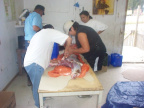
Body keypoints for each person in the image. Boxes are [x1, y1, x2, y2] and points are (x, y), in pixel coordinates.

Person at [24, 24, 71, 108]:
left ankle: (43, 98)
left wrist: (50, 61)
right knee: (37, 87)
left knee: (38, 84)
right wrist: (66, 50)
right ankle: (39, 105)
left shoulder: (39, 34)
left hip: (30, 63)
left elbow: (40, 51)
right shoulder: (49, 32)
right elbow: (69, 39)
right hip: (34, 64)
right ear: (52, 29)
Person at [24, 4, 45, 86]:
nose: (41, 15)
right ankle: (36, 81)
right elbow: (35, 28)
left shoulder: (29, 16)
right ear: (40, 11)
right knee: (36, 61)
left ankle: (30, 80)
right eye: (42, 13)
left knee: (30, 60)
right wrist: (43, 31)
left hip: (28, 41)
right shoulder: (37, 15)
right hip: (33, 42)